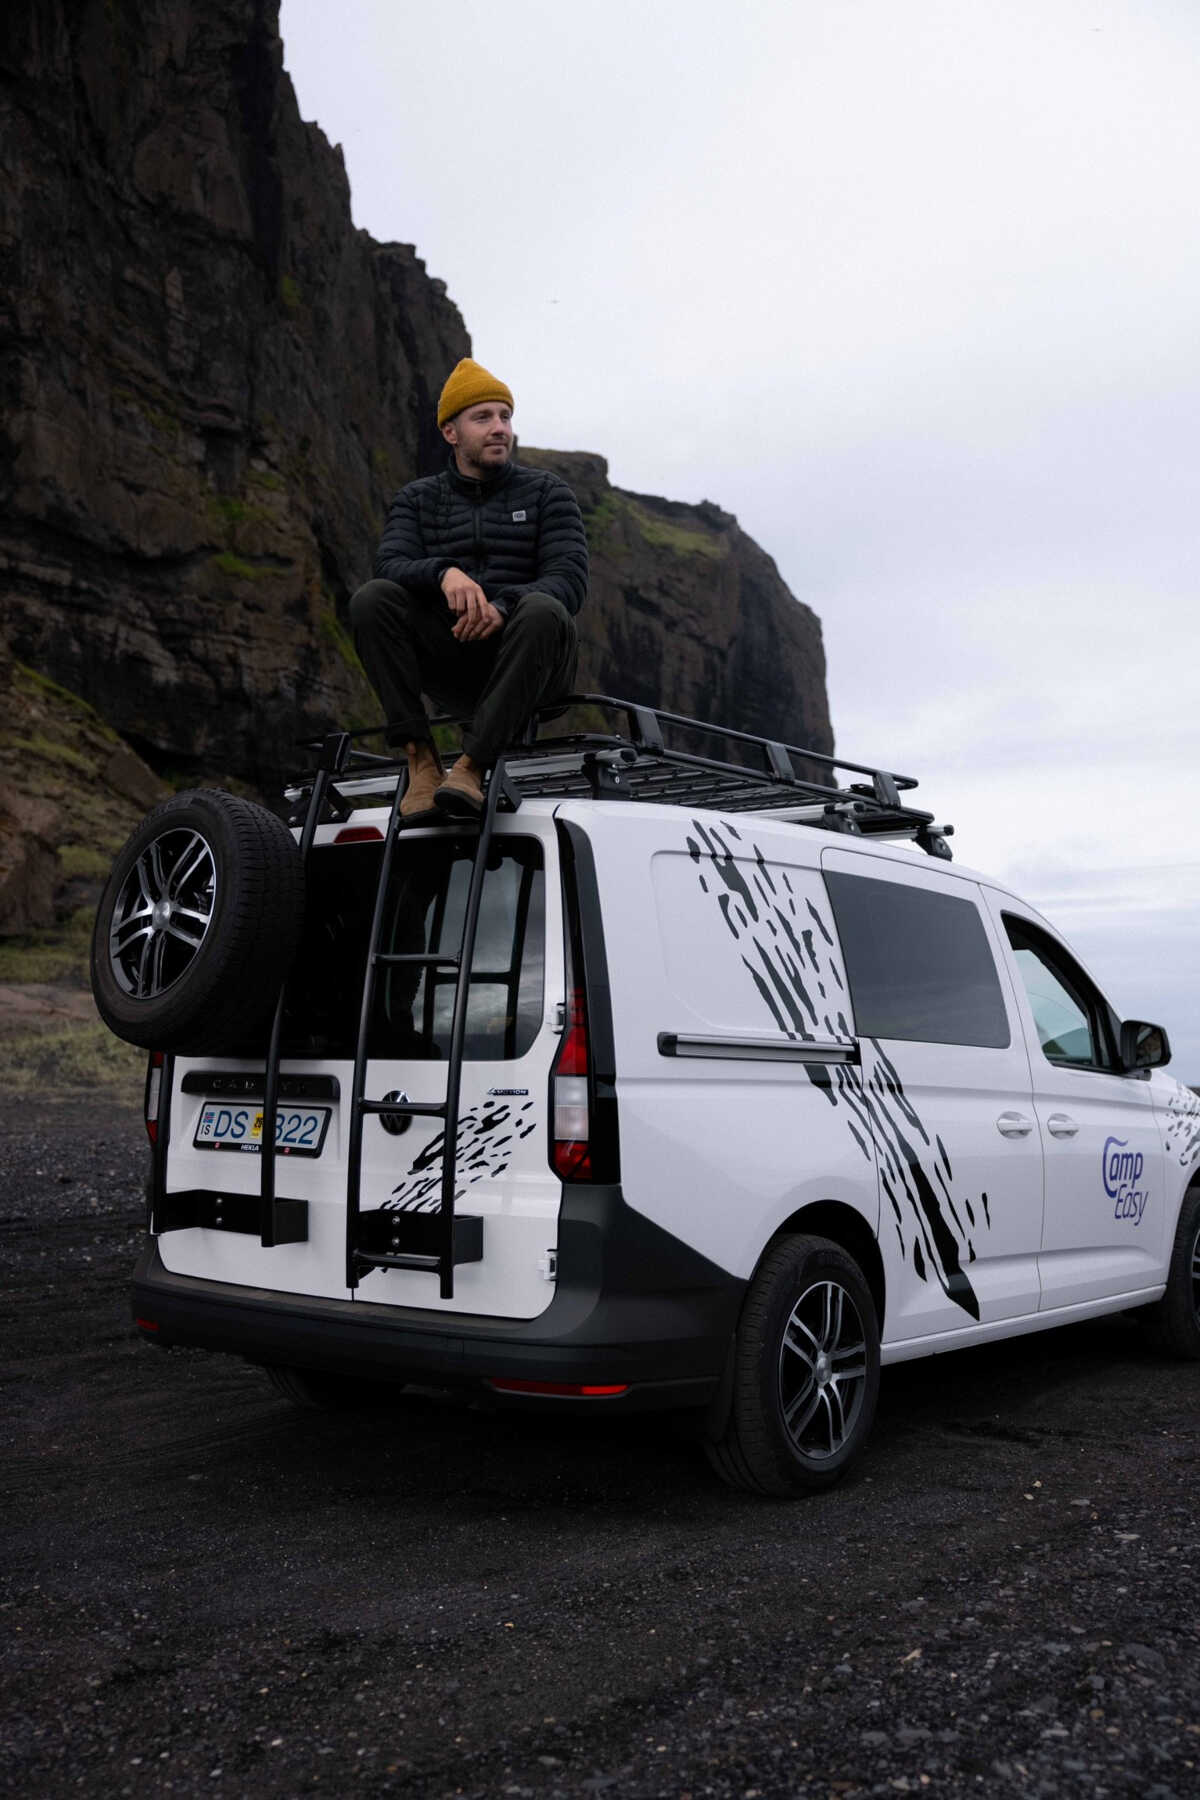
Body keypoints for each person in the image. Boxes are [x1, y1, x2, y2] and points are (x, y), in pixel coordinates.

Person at [349, 357, 588, 821]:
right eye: (483, 417)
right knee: (371, 600)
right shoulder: (417, 499)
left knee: (541, 607)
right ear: (450, 432)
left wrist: (503, 606)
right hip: (456, 661)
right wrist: (444, 573)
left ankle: (470, 768)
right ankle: (422, 763)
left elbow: (570, 580)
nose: (500, 428)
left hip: (535, 662)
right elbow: (389, 564)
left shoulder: (548, 492)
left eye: (505, 416)